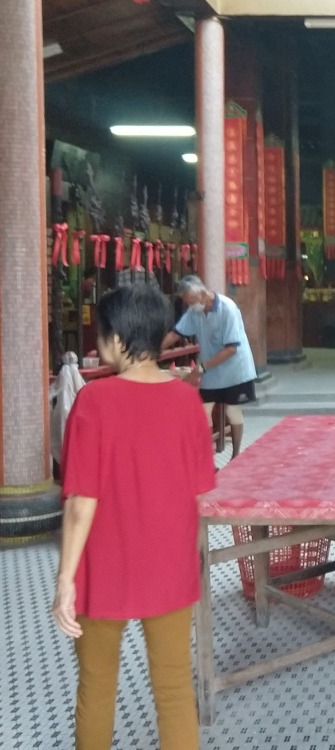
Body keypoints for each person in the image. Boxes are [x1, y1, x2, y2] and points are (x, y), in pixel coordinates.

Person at [51, 284, 216, 749]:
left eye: (101, 333)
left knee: (97, 688)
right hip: (169, 567)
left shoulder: (95, 402)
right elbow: (198, 493)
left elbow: (82, 501)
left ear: (118, 337)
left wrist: (65, 578)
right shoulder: (187, 402)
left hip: (103, 569)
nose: (97, 342)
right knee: (173, 688)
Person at [161, 275, 257, 458]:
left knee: (233, 410)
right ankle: (207, 457)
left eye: (191, 301)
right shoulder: (194, 311)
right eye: (187, 303)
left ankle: (236, 454)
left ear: (203, 293)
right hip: (210, 368)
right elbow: (176, 333)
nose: (190, 306)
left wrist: (201, 368)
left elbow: (231, 349)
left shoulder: (227, 308)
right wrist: (154, 351)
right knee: (204, 410)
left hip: (234, 367)